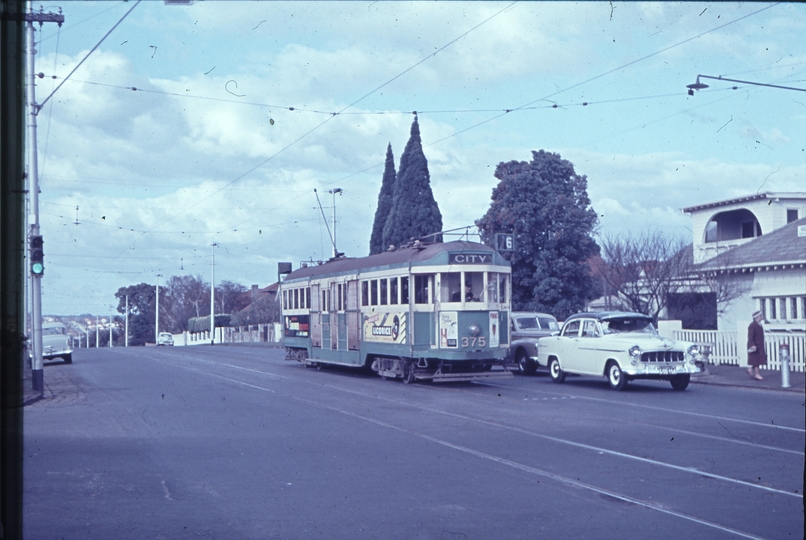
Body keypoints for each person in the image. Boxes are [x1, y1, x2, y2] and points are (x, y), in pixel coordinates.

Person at [746, 310, 767, 381]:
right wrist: (752, 345)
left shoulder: (758, 324)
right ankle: (757, 374)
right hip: (755, 345)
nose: (761, 317)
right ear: (757, 317)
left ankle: (750, 369)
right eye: (760, 316)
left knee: (757, 360)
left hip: (759, 345)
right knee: (756, 360)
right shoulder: (753, 325)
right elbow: (750, 336)